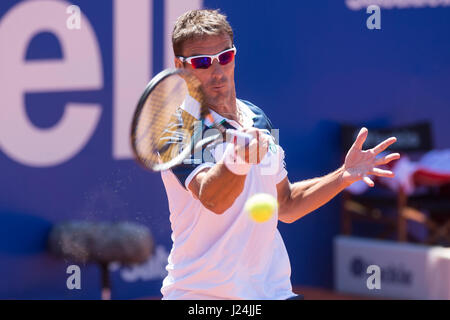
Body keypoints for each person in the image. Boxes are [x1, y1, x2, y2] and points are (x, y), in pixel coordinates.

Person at [159, 9, 400, 300]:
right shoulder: (177, 132)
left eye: (224, 57)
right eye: (201, 62)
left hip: (272, 291)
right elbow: (213, 199)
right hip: (201, 296)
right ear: (180, 66)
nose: (217, 71)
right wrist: (239, 159)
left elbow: (286, 204)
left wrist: (342, 176)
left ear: (234, 55)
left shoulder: (256, 118)